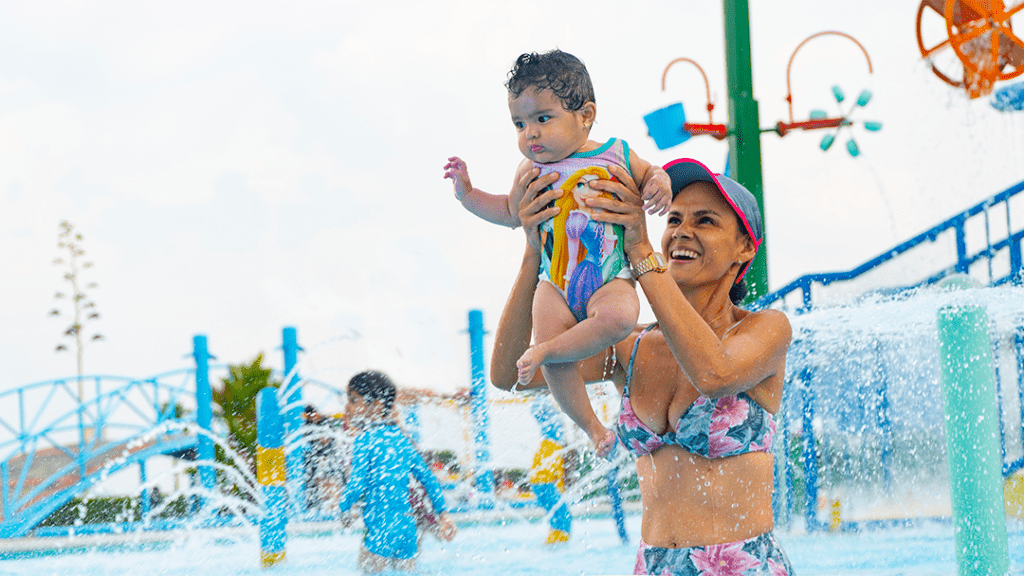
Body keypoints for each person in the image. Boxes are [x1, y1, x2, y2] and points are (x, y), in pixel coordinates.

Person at [490, 158, 794, 575]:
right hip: (653, 565)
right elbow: (509, 377)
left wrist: (640, 252)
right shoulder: (629, 348)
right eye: (673, 219)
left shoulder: (766, 330)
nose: (682, 231)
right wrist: (533, 253)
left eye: (705, 221)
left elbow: (714, 375)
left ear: (744, 247)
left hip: (740, 565)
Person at [444, 49, 672, 458]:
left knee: (621, 317)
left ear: (585, 115)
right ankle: (593, 428)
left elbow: (651, 174)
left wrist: (659, 184)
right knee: (550, 350)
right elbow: (510, 213)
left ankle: (551, 352)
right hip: (555, 281)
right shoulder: (529, 172)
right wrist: (468, 195)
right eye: (519, 123)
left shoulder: (617, 154)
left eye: (542, 119)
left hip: (609, 276)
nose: (529, 133)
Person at [338, 370, 458, 574]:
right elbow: (429, 479)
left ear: (375, 406)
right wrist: (444, 515)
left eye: (353, 400)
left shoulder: (364, 440)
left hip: (381, 528)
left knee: (366, 570)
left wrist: (344, 507)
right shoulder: (402, 441)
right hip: (407, 527)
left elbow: (357, 484)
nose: (347, 407)